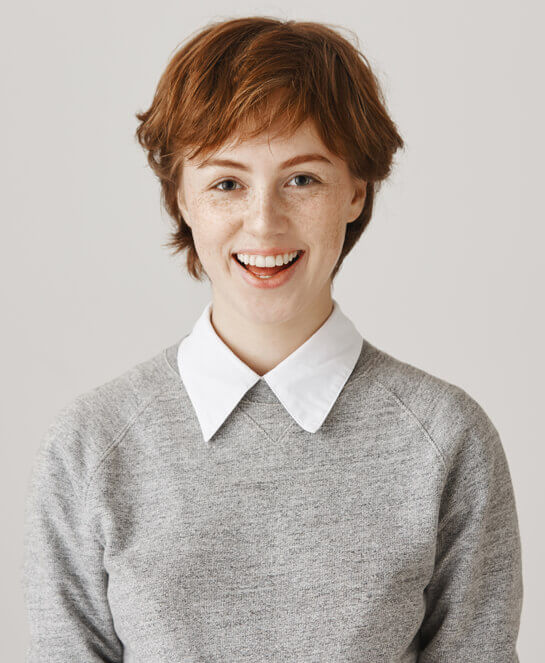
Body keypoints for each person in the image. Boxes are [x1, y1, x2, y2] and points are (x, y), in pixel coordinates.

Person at [22, 15, 523, 662]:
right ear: (181, 198)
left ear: (355, 191)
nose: (264, 223)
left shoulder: (446, 437)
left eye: (302, 179)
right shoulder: (91, 444)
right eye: (226, 183)